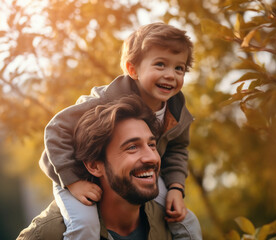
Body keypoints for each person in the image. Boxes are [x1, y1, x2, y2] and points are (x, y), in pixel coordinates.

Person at [39, 22, 202, 239]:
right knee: (85, 226)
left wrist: (175, 188)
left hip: (135, 173)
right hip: (73, 172)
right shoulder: (106, 100)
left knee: (186, 222)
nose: (171, 75)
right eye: (160, 65)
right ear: (132, 69)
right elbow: (56, 129)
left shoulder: (176, 110)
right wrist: (73, 182)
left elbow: (178, 150)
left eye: (179, 68)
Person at [17, 96, 173, 239]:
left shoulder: (172, 224)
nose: (151, 157)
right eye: (132, 147)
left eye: (152, 145)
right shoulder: (46, 235)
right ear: (94, 165)